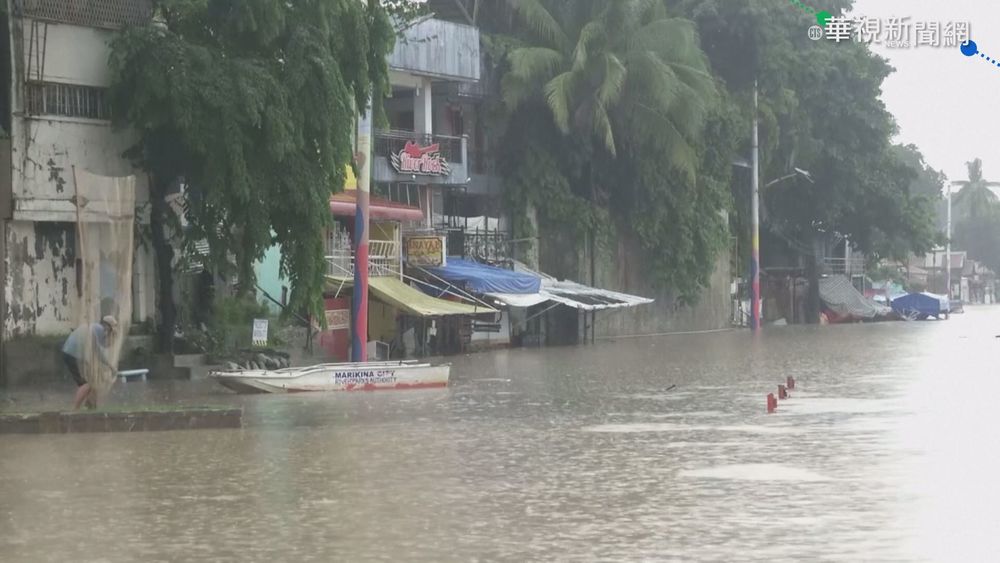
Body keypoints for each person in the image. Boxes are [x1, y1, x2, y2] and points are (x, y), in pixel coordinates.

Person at [62, 315, 118, 410]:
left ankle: (90, 406)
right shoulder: (99, 330)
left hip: (70, 353)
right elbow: (97, 351)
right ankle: (75, 409)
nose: (109, 333)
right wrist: (110, 366)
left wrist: (108, 366)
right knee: (86, 384)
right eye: (110, 330)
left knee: (92, 381)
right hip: (73, 355)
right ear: (107, 326)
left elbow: (95, 351)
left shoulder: (95, 328)